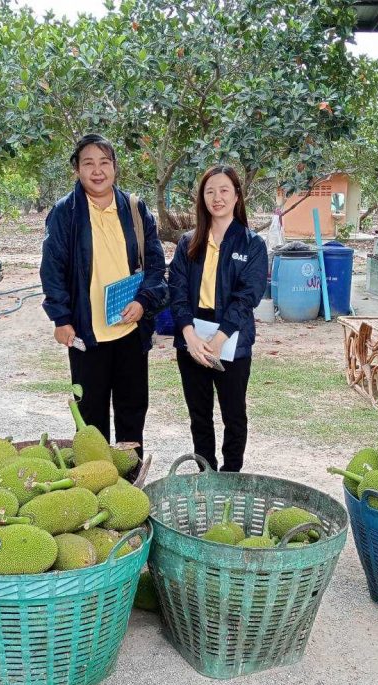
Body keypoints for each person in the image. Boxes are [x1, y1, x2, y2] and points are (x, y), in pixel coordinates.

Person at [40, 134, 167, 453]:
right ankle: (96, 475)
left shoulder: (135, 210)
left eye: (104, 162)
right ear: (77, 170)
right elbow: (52, 268)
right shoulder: (66, 213)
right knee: (90, 417)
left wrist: (143, 301)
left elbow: (155, 263)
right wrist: (61, 318)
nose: (97, 171)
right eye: (88, 163)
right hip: (87, 334)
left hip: (130, 331)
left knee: (132, 412)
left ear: (115, 167)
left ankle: (129, 475)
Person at [168, 166, 268, 472]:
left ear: (237, 196)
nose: (217, 197)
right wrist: (189, 335)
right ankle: (207, 472)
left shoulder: (252, 244)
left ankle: (231, 474)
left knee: (233, 414)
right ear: (202, 198)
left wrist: (219, 339)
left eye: (224, 190)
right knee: (199, 413)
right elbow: (177, 290)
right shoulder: (188, 242)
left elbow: (247, 296)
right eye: (210, 191)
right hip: (193, 334)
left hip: (231, 338)